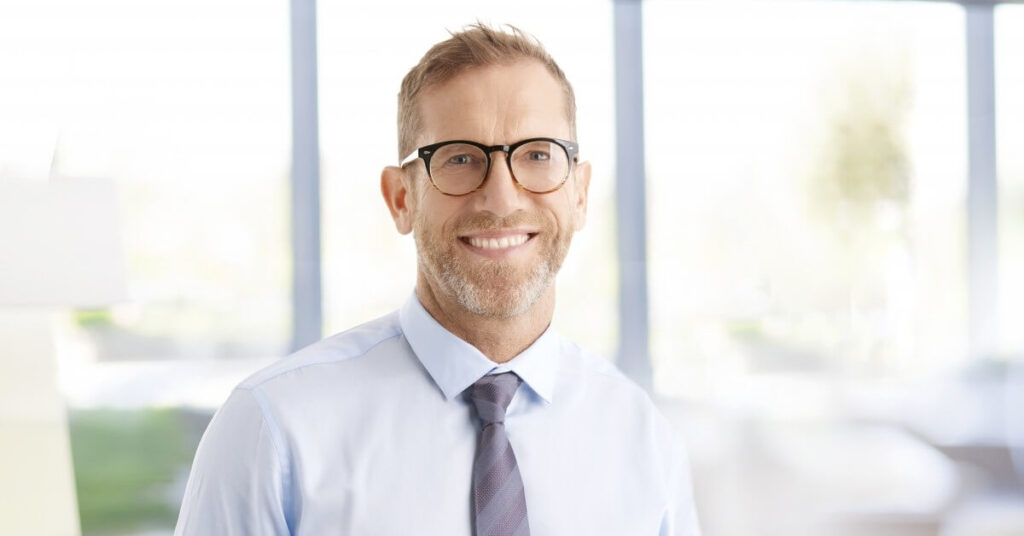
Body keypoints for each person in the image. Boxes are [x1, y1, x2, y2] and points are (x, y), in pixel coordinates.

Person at [174, 23, 701, 536]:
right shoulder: (274, 432)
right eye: (460, 159)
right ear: (401, 199)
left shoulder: (644, 441)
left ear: (580, 194)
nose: (502, 198)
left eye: (538, 155)